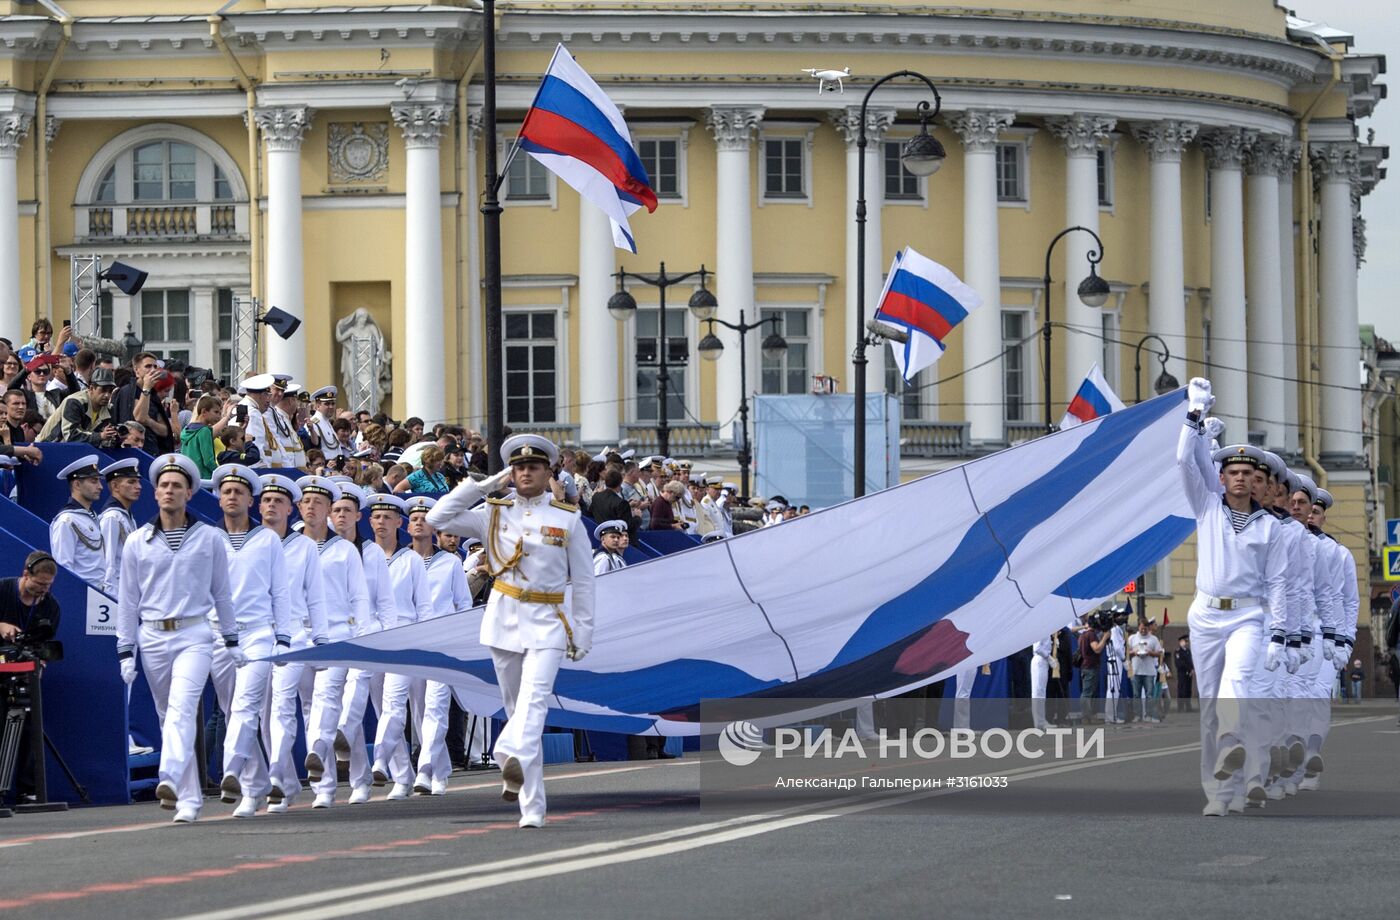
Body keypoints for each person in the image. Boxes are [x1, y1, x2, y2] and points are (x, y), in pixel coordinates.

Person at [426, 433, 595, 828]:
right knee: (519, 710)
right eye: (518, 467)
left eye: (532, 467)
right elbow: (437, 518)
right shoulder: (494, 512)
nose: (524, 473)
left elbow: (584, 581)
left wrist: (583, 631)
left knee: (534, 703)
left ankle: (506, 751)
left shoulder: (566, 518)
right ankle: (532, 807)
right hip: (504, 619)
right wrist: (482, 486)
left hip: (549, 621)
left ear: (547, 471)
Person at [1178, 378, 1288, 816]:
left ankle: (1232, 751)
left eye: (1248, 474)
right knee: (1210, 707)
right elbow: (1185, 460)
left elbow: (1279, 582)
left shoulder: (1270, 528)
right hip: (1205, 615)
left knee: (1235, 687)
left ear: (1256, 483)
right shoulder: (1206, 507)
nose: (1241, 478)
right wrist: (1194, 415)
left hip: (1248, 618)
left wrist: (1279, 633)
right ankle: (1220, 793)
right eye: (1233, 473)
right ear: (1221, 479)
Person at [116, 454, 239, 823]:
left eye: (177, 486)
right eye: (164, 485)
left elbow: (222, 593)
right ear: (155, 494)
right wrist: (126, 650)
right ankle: (188, 798)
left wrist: (232, 641)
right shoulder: (138, 541)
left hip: (195, 633)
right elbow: (128, 600)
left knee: (184, 708)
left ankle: (167, 776)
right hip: (152, 635)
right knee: (168, 714)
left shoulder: (210, 538)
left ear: (189, 493)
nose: (169, 491)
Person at [208, 463, 294, 819]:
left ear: (250, 499)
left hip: (259, 632)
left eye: (239, 492)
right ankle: (255, 784)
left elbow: (281, 591)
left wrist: (284, 637)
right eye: (227, 491)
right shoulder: (206, 538)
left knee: (247, 707)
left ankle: (232, 769)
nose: (232, 497)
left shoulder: (268, 539)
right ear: (218, 497)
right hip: (218, 634)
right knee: (232, 710)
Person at [294, 476, 369, 808]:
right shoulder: (289, 545)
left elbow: (360, 597)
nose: (312, 508)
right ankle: (353, 776)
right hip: (301, 635)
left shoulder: (345, 550)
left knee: (326, 701)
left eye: (318, 502)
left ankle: (320, 765)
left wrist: (365, 639)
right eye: (306, 501)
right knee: (313, 707)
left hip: (339, 633)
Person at [258, 474, 328, 813]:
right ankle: (284, 782)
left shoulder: (304, 547)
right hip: (256, 634)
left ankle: (273, 773)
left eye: (278, 501)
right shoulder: (250, 542)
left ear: (290, 509)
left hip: (295, 635)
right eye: (266, 500)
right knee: (262, 711)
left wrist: (322, 638)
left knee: (284, 705)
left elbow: (315, 597)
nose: (271, 506)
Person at [364, 492, 432, 800]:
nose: (381, 522)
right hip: (373, 638)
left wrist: (423, 642)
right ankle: (403, 776)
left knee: (395, 703)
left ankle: (379, 761)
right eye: (377, 517)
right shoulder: (362, 557)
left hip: (405, 636)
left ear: (399, 523)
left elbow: (424, 607)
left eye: (387, 517)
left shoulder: (412, 560)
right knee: (382, 709)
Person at [405, 496, 474, 796]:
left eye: (425, 517)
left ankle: (424, 769)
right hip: (411, 643)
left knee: (436, 707)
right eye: (414, 518)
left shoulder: (450, 562)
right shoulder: (400, 560)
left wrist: (459, 641)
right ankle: (440, 769)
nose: (420, 522)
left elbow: (464, 604)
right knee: (419, 711)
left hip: (443, 642)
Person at [48, 455, 107, 589]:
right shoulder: (66, 521)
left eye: (99, 481)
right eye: (94, 481)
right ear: (77, 484)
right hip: (83, 594)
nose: (100, 487)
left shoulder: (91, 516)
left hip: (99, 594)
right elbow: (64, 567)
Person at [111, 353, 177, 455]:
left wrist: (149, 421)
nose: (153, 370)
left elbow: (164, 431)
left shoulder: (153, 395)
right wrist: (146, 388)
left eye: (155, 366)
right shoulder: (128, 392)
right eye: (148, 366)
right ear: (137, 371)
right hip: (134, 452)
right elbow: (140, 418)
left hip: (153, 451)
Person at [41, 367, 120, 447]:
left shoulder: (108, 408)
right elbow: (71, 435)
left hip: (75, 450)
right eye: (103, 390)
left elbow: (102, 442)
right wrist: (100, 436)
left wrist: (116, 438)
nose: (107, 395)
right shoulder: (75, 402)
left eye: (110, 391)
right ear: (91, 388)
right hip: (47, 446)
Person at [96, 459, 142, 597]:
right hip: (117, 591)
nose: (139, 486)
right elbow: (107, 561)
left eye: (138, 481)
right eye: (131, 482)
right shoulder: (112, 517)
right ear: (115, 486)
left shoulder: (127, 517)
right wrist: (111, 597)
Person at [1127, 618, 1163, 723]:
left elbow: (1160, 653)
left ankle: (1149, 715)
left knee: (1149, 695)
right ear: (1138, 627)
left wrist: (1150, 653)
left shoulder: (1153, 639)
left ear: (1148, 628)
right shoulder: (1132, 638)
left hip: (1149, 671)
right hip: (1136, 670)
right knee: (1136, 695)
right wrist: (1134, 652)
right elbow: (1127, 653)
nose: (1143, 630)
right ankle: (1137, 715)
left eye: (1145, 628)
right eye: (1142, 628)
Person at [234, 374, 277, 463]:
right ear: (260, 395)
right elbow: (256, 445)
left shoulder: (243, 407)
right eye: (267, 395)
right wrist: (262, 467)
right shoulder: (253, 412)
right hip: (255, 466)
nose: (268, 400)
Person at [180, 395, 223, 478]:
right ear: (204, 411)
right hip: (204, 478)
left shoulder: (186, 429)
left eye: (220, 413)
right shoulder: (204, 431)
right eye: (216, 412)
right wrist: (220, 474)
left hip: (189, 476)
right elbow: (208, 461)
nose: (219, 416)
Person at [1074, 622, 1107, 723]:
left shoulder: (1083, 635)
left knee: (1088, 692)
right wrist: (1105, 637)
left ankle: (1088, 716)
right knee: (1087, 693)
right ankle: (1086, 716)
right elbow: (1096, 649)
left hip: (1086, 666)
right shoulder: (1091, 634)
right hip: (1090, 667)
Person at [1174, 637, 1195, 712]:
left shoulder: (1188, 651)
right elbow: (1179, 663)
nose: (1186, 643)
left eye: (1187, 641)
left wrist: (1192, 669)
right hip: (1182, 673)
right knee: (1182, 690)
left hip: (1189, 673)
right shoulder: (1178, 651)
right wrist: (1188, 669)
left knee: (1188, 690)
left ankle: (1188, 707)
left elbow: (1190, 661)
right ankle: (1180, 707)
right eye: (1184, 641)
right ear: (1180, 642)